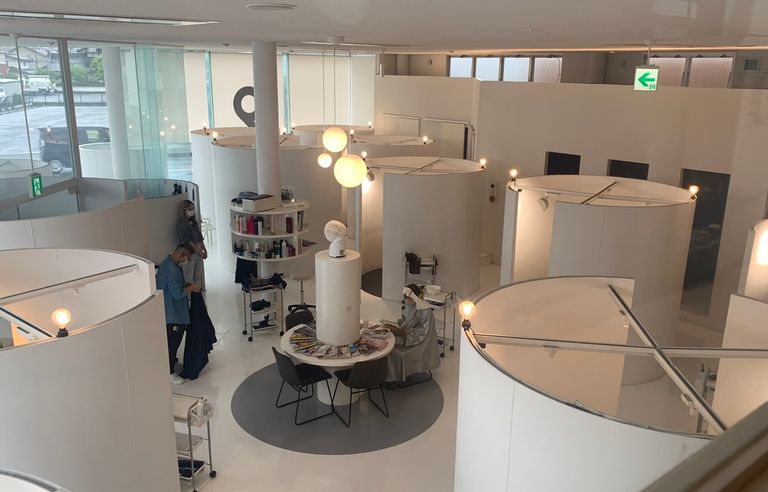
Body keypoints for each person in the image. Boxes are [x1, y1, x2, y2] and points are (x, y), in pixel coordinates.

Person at [156, 243, 201, 385]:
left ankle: (171, 362)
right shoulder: (172, 270)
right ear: (182, 254)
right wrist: (192, 288)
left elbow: (178, 284)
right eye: (188, 257)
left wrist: (188, 284)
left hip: (170, 312)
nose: (187, 261)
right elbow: (177, 293)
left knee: (171, 342)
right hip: (173, 314)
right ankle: (169, 372)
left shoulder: (168, 264)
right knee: (172, 343)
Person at [385, 284, 440, 387]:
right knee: (387, 342)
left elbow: (422, 333)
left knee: (393, 350)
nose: (407, 300)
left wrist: (403, 332)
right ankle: (389, 375)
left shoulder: (426, 312)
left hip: (418, 343)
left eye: (409, 298)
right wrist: (396, 325)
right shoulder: (409, 305)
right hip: (408, 336)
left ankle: (394, 378)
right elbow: (403, 319)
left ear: (415, 297)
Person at [175, 199, 207, 285]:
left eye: (193, 209)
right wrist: (198, 251)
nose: (192, 211)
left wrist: (204, 250)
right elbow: (187, 241)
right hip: (188, 253)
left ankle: (197, 291)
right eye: (189, 209)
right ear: (184, 210)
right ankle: (190, 293)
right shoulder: (181, 224)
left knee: (198, 276)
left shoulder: (194, 222)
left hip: (198, 251)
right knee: (188, 277)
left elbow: (199, 237)